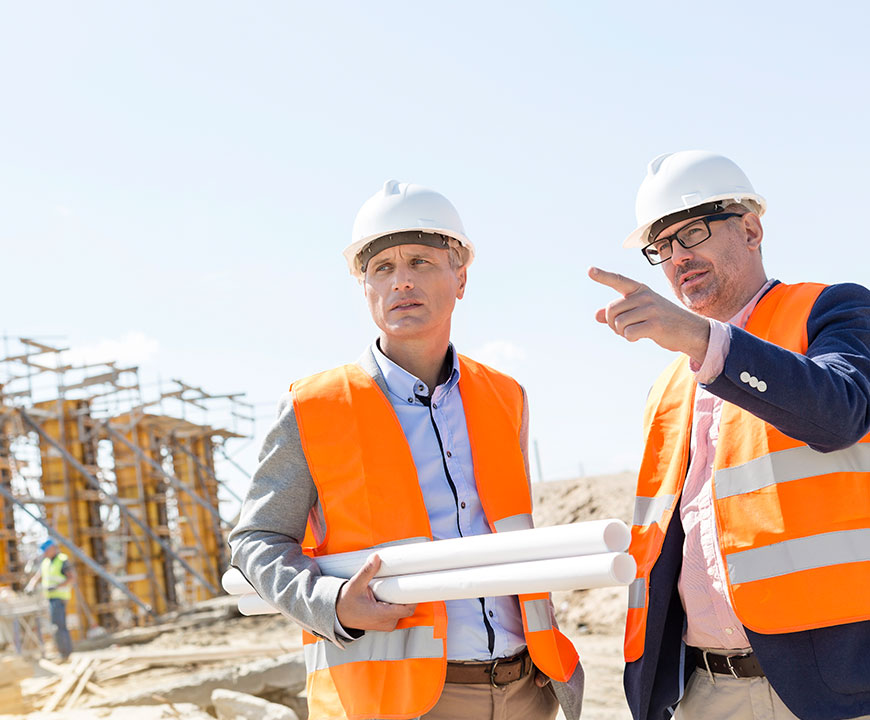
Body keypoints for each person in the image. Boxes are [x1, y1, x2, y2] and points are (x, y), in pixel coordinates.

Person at [229, 180, 584, 720]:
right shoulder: (314, 406)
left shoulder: (504, 397)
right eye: (382, 268)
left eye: (420, 261)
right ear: (365, 288)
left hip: (526, 689)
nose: (401, 282)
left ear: (460, 276)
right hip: (400, 701)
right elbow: (257, 541)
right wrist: (331, 604)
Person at [589, 150, 870, 720]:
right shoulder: (670, 385)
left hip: (829, 689)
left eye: (690, 232)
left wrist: (702, 341)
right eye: (661, 247)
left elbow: (838, 413)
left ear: (750, 228)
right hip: (704, 690)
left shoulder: (833, 310)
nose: (676, 258)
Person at [38, 538, 74, 660]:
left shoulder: (62, 560)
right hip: (51, 598)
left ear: (52, 548)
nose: (44, 553)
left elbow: (71, 578)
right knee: (57, 626)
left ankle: (65, 653)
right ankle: (64, 652)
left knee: (59, 626)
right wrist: (31, 584)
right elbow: (39, 575)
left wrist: (56, 587)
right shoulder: (46, 562)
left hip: (60, 597)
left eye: (46, 551)